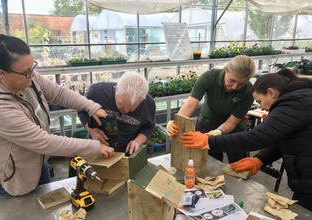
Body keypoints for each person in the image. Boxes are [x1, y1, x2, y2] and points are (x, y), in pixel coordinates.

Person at [0, 34, 114, 196]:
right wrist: (94, 147)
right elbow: (45, 142)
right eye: (26, 72)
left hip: (37, 163)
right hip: (13, 177)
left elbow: (58, 93)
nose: (33, 75)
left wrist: (91, 107)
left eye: (32, 67)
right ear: (2, 73)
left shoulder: (27, 79)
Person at [180, 68, 312, 211]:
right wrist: (260, 159)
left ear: (271, 92)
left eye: (260, 101)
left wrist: (208, 141)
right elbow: (283, 140)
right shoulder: (300, 98)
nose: (261, 107)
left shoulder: (293, 103)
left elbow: (256, 137)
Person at [167, 55, 256, 163]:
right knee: (208, 162)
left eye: (241, 84)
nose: (234, 86)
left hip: (235, 130)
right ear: (226, 69)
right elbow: (190, 105)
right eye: (232, 80)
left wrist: (217, 132)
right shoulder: (209, 78)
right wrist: (177, 122)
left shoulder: (248, 91)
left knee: (239, 165)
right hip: (207, 125)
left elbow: (232, 122)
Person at [78, 71, 156, 155]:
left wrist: (137, 141)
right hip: (97, 148)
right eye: (121, 105)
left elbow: (148, 126)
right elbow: (81, 109)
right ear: (116, 89)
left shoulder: (148, 104)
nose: (125, 110)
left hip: (127, 152)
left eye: (133, 108)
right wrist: (92, 131)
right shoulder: (97, 92)